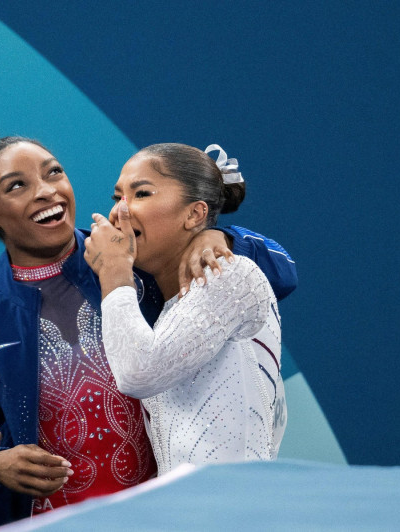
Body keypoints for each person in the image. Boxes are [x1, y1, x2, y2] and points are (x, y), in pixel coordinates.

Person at [0, 134, 296, 528]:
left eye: (53, 172)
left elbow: (279, 273)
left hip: (163, 517)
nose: (46, 191)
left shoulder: (133, 257)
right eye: (18, 185)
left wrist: (221, 238)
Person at [84, 143, 286, 475]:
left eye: (142, 194)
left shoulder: (230, 276)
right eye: (116, 197)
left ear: (194, 214)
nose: (119, 212)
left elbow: (138, 373)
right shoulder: (170, 311)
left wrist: (114, 270)